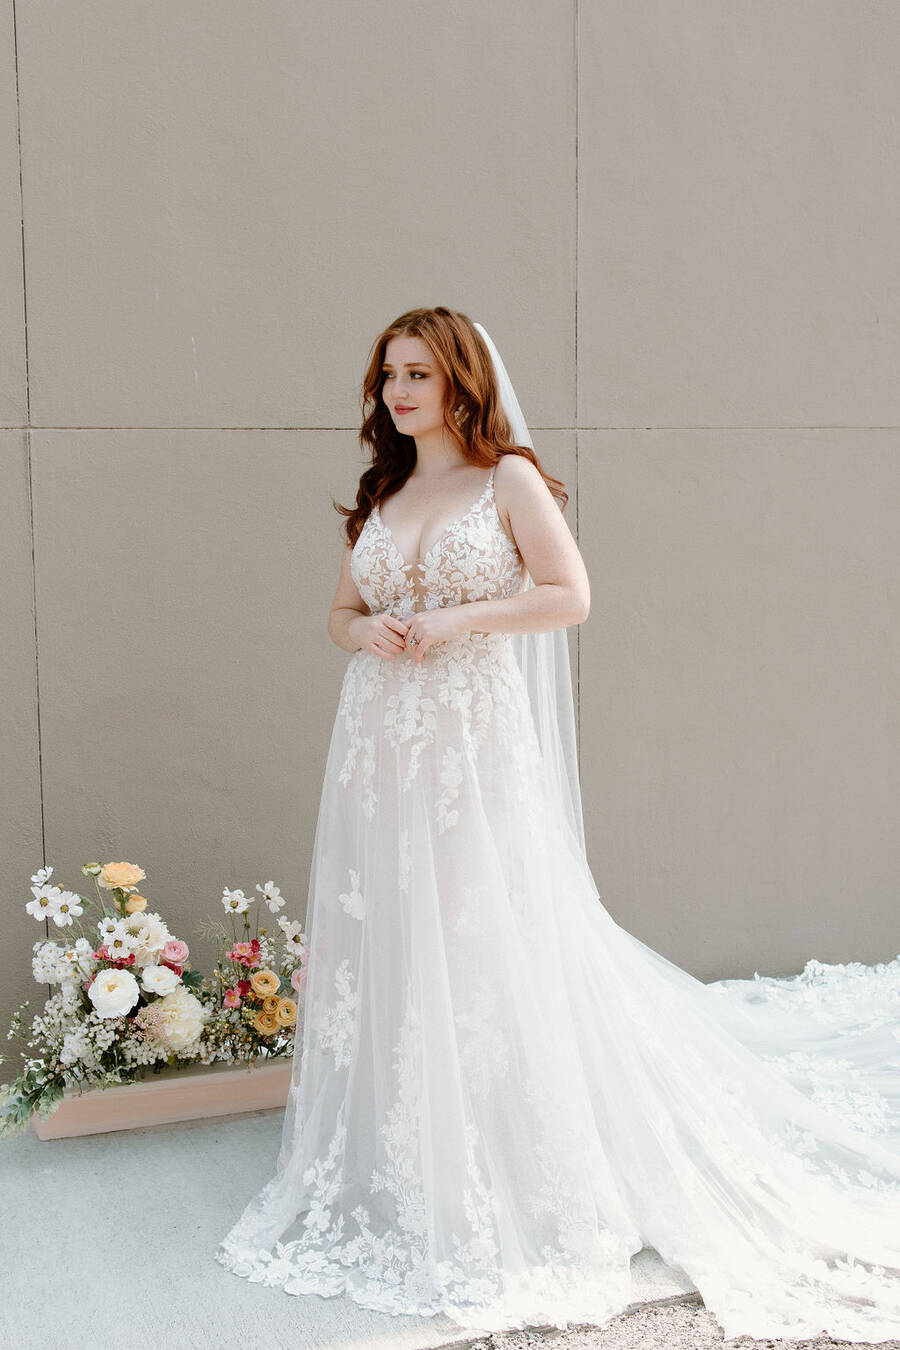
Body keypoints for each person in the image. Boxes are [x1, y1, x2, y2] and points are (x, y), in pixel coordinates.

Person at [216, 306, 900, 1342]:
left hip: (470, 744)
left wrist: (458, 618)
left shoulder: (508, 481)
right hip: (380, 747)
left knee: (479, 929)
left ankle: (503, 1146)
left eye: (418, 374)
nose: (398, 392)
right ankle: (411, 1145)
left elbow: (569, 595)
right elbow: (336, 615)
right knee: (400, 930)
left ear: (461, 381)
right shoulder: (386, 491)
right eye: (389, 375)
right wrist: (370, 633)